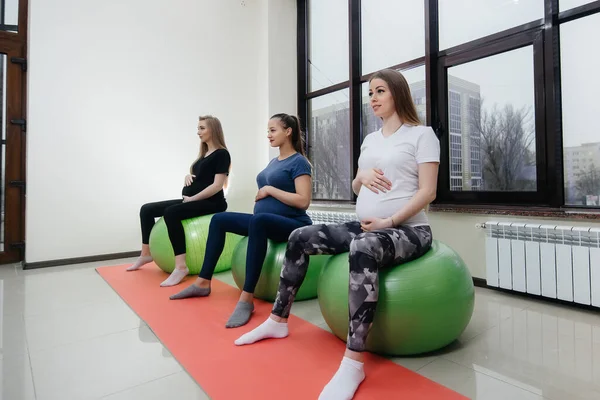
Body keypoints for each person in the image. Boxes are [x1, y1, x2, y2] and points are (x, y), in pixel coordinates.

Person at [234, 69, 440, 400]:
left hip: (408, 229)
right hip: (367, 223)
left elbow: (428, 191)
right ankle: (277, 320)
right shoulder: (371, 140)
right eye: (370, 92)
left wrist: (389, 222)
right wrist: (363, 175)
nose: (372, 98)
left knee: (363, 245)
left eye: (380, 91)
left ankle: (353, 362)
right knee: (300, 236)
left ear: (398, 94)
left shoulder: (421, 135)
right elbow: (357, 185)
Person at [169, 113, 313, 329]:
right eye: (268, 131)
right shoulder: (274, 161)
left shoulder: (299, 162)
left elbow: (303, 201)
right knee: (219, 220)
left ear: (288, 131)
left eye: (273, 130)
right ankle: (202, 282)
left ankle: (246, 299)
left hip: (293, 223)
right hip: (264, 221)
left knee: (258, 221)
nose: (268, 135)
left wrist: (269, 189)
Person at [126, 115, 231, 288]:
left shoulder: (222, 154)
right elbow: (201, 177)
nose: (198, 132)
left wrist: (192, 199)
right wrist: (188, 176)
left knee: (171, 213)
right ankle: (146, 254)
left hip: (213, 203)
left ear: (213, 129)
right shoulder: (204, 155)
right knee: (147, 209)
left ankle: (181, 266)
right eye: (198, 128)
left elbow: (217, 186)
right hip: (192, 199)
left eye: (202, 128)